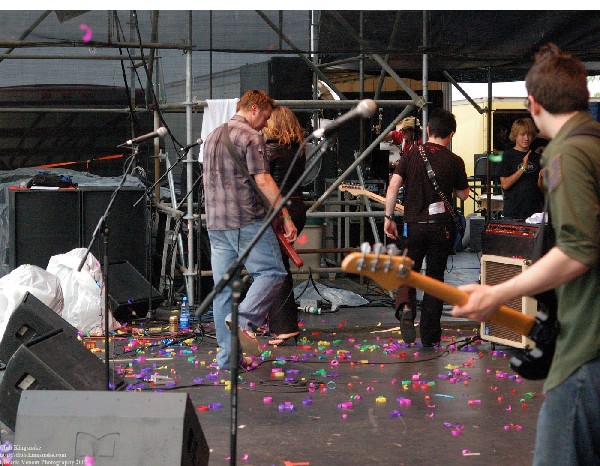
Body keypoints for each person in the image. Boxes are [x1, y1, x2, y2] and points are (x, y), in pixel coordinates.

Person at [452, 43, 600, 466]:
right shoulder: (593, 144)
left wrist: (499, 294)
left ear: (533, 105)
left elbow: (578, 248)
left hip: (588, 346)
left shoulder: (567, 153)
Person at [202, 89, 297, 370]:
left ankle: (228, 360)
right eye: (266, 116)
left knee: (223, 291)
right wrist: (286, 215)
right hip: (246, 220)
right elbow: (264, 179)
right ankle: (244, 319)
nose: (266, 124)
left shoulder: (212, 136)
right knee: (272, 272)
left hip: (216, 224)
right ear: (254, 108)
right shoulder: (251, 137)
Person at [384, 108, 469, 346]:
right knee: (435, 279)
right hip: (440, 229)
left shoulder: (411, 155)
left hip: (414, 226)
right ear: (451, 134)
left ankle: (406, 306)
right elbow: (463, 195)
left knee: (407, 270)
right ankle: (430, 336)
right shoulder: (454, 161)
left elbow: (393, 188)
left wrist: (388, 217)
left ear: (428, 130)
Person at [262, 106, 307, 346]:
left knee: (275, 268)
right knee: (278, 265)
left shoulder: (271, 149)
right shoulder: (298, 149)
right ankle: (279, 323)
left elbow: (263, 181)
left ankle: (284, 327)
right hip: (297, 205)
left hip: (279, 211)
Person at [498, 118, 544, 220]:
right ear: (515, 135)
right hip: (513, 213)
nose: (526, 138)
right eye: (522, 134)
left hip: (534, 214)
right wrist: (523, 168)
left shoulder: (537, 157)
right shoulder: (508, 156)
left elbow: (541, 188)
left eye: (529, 134)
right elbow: (505, 184)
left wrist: (541, 178)